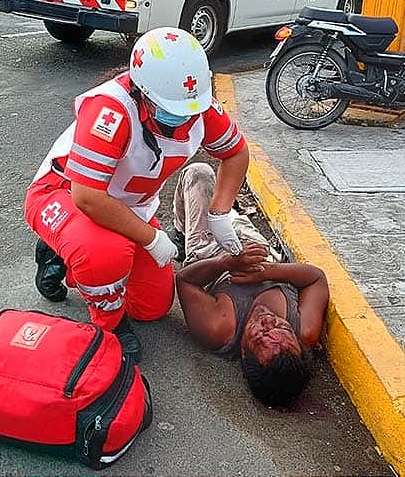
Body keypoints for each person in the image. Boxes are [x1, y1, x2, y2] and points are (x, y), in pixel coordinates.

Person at [24, 28, 249, 363]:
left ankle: (68, 255)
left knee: (152, 306)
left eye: (190, 109)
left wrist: (219, 213)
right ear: (143, 92)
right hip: (65, 195)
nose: (184, 118)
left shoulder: (196, 105)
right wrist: (150, 238)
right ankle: (109, 324)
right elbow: (88, 197)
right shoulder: (111, 111)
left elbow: (235, 152)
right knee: (105, 254)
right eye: (172, 109)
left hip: (129, 207)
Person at [174, 163, 329, 407]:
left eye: (261, 334)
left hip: (210, 250)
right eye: (282, 327)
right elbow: (316, 278)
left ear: (245, 353)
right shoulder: (306, 331)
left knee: (199, 173)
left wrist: (225, 262)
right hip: (256, 247)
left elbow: (184, 280)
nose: (268, 320)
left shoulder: (219, 328)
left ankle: (181, 228)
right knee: (229, 211)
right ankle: (230, 214)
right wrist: (267, 271)